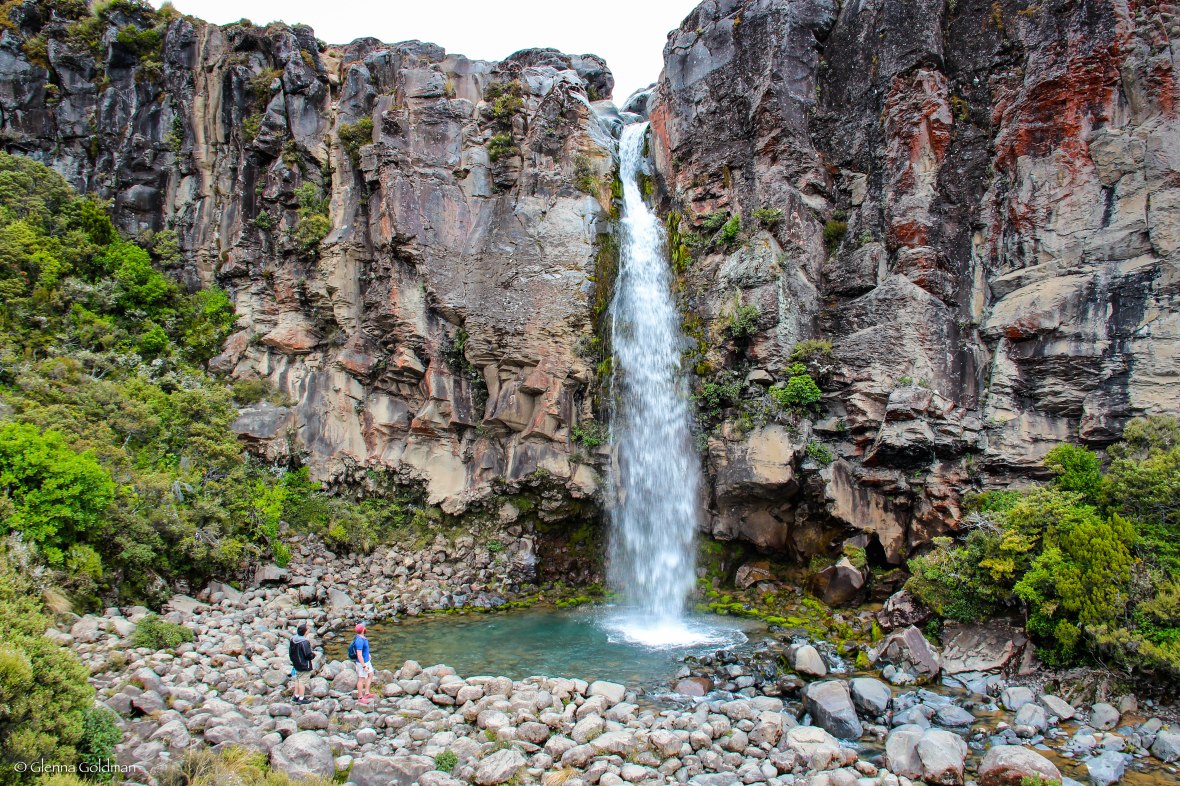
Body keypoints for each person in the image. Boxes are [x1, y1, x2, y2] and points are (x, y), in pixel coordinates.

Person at [348, 622, 374, 703]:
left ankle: (367, 693)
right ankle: (360, 697)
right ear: (363, 630)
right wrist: (364, 666)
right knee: (361, 679)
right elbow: (359, 655)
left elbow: (364, 650)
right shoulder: (359, 640)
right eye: (364, 627)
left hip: (367, 660)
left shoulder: (362, 637)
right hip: (362, 663)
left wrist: (368, 654)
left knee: (370, 674)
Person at [288, 623, 315, 704]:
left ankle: (296, 696)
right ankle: (301, 698)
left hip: (296, 664)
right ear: (305, 632)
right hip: (304, 665)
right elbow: (307, 654)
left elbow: (290, 652)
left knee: (297, 680)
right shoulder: (304, 642)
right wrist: (313, 655)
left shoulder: (293, 639)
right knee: (302, 682)